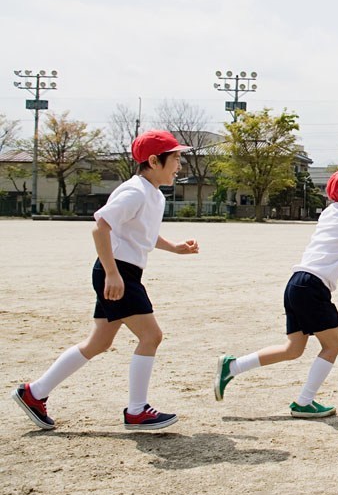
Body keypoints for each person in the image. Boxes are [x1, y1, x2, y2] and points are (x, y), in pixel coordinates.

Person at [11, 130, 199, 431]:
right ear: (154, 161)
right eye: (176, 158)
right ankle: (137, 411)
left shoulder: (151, 193)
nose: (180, 165)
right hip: (118, 272)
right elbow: (100, 227)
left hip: (123, 272)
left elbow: (142, 233)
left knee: (98, 342)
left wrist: (175, 247)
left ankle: (34, 393)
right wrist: (112, 273)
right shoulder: (135, 191)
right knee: (151, 336)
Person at [214, 168, 338, 418]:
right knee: (332, 345)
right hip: (313, 287)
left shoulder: (333, 212)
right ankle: (304, 402)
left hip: (297, 283)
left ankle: (233, 367)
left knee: (293, 349)